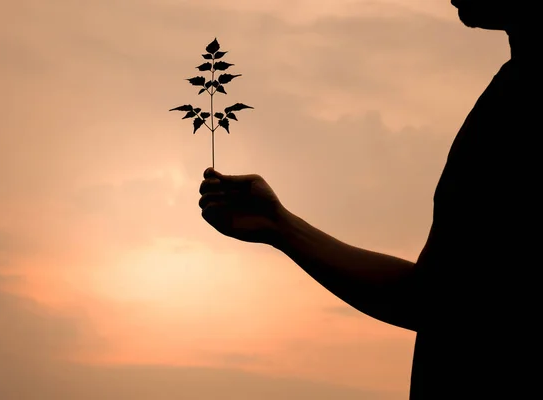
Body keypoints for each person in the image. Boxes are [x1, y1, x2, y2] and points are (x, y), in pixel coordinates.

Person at [198, 1, 540, 398]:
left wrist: (281, 226)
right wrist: (280, 224)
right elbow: (435, 297)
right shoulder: (509, 92)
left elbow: (433, 304)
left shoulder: (518, 107)